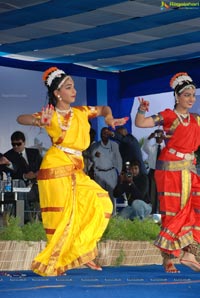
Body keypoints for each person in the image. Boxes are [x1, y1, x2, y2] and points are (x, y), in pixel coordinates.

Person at [16, 66, 128, 276]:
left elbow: (103, 108)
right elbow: (22, 119)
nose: (74, 91)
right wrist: (39, 120)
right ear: (58, 93)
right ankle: (60, 260)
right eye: (69, 88)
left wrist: (109, 118)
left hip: (76, 167)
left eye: (74, 86)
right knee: (61, 216)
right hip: (56, 167)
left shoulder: (81, 112)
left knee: (101, 202)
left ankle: (80, 251)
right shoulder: (50, 114)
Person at [135, 72, 200, 273]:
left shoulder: (196, 120)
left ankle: (190, 252)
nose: (191, 99)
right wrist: (141, 110)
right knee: (173, 212)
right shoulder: (168, 116)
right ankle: (169, 257)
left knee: (195, 208)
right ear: (177, 97)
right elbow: (141, 123)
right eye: (187, 95)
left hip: (189, 170)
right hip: (170, 171)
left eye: (193, 95)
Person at [91, 127, 122, 214]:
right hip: (99, 173)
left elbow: (118, 159)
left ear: (109, 134)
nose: (104, 135)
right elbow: (89, 156)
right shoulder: (95, 146)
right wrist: (94, 155)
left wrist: (119, 173)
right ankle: (101, 215)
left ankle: (112, 215)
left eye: (106, 133)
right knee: (100, 195)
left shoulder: (114, 145)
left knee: (111, 195)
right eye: (102, 133)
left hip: (110, 173)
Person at [142, 129, 165, 213]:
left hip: (163, 173)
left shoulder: (166, 148)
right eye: (157, 135)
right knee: (153, 193)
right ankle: (153, 212)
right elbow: (144, 147)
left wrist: (165, 138)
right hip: (153, 172)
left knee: (162, 194)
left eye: (160, 135)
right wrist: (149, 138)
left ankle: (162, 213)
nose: (159, 137)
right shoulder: (152, 148)